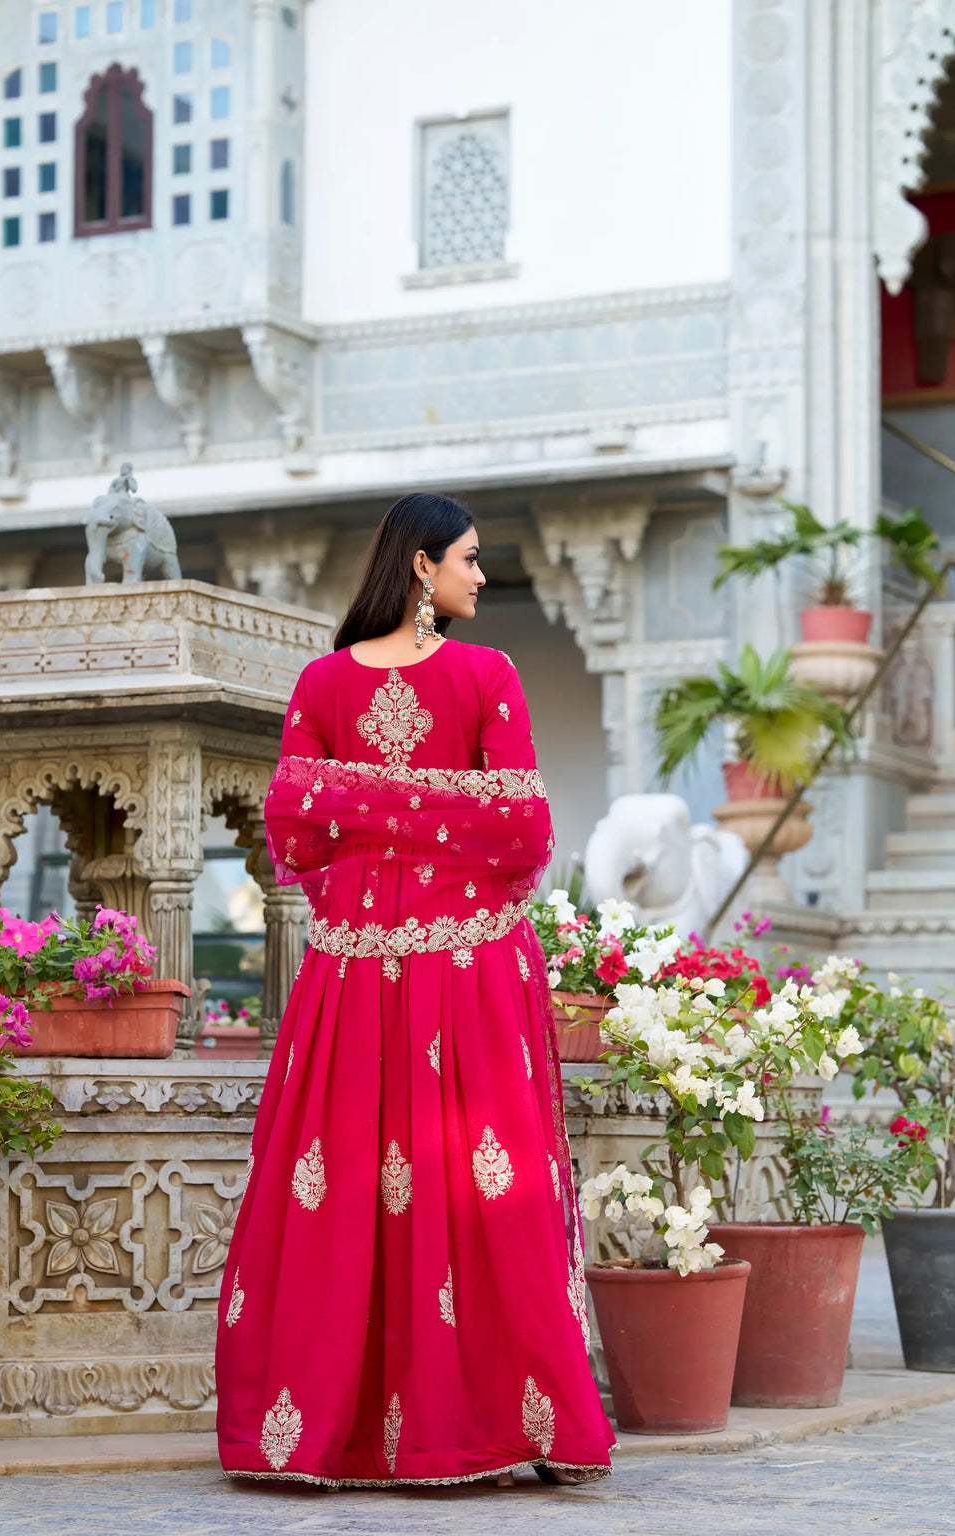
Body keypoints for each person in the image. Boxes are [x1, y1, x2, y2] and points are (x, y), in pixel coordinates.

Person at [216, 493, 615, 1488]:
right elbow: (289, 823)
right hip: (392, 969)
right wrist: (447, 811)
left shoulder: (480, 674)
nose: (481, 578)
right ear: (420, 568)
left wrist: (367, 804)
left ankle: (486, 1422)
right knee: (347, 1185)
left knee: (484, 1188)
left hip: (435, 967)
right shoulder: (338, 681)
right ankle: (369, 1431)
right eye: (469, 560)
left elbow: (523, 831)